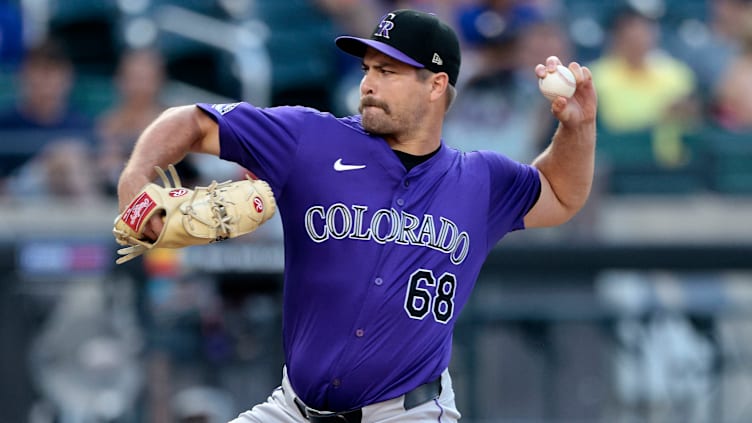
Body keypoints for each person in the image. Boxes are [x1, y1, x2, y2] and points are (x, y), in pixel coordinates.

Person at [117, 9, 597, 423]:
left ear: (436, 85)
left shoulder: (480, 181)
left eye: (389, 71)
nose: (368, 82)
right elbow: (192, 120)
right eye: (369, 67)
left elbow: (561, 193)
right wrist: (136, 179)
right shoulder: (309, 138)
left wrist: (578, 128)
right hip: (294, 408)